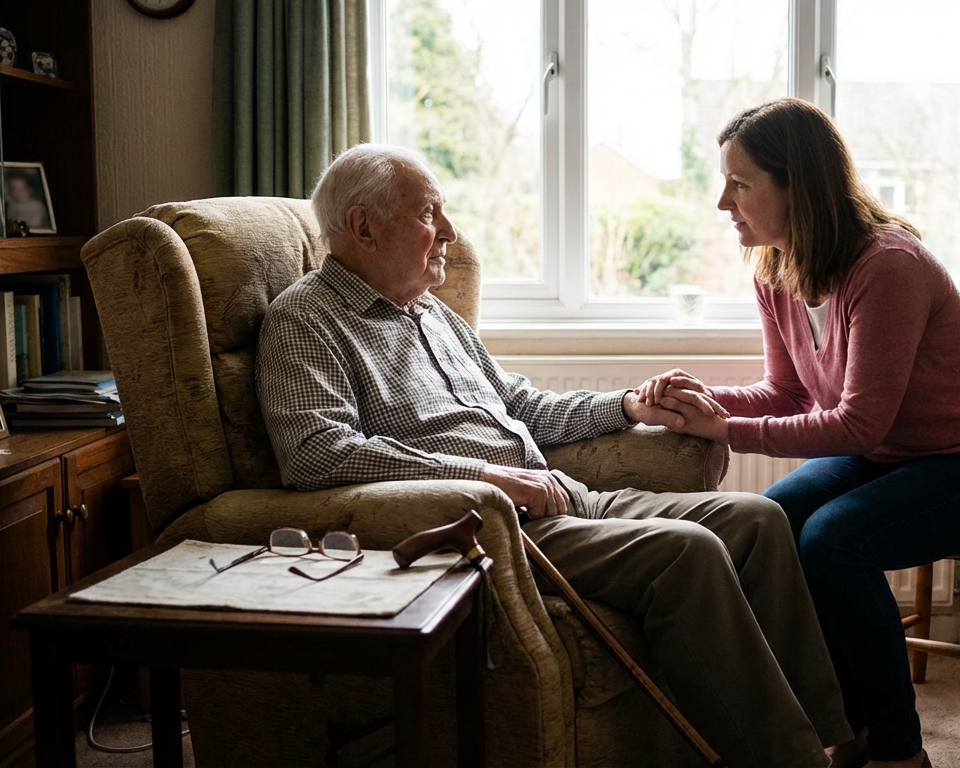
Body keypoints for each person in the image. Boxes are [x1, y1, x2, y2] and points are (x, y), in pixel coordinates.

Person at [255, 143, 856, 768]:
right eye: (431, 213)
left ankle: (834, 735)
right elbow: (317, 453)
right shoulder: (306, 320)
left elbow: (520, 405)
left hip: (562, 500)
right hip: (494, 528)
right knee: (690, 551)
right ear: (364, 227)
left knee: (759, 520)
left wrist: (628, 407)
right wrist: (484, 477)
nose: (451, 233)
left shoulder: (430, 312)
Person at [638, 98, 960, 768]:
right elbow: (788, 394)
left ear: (798, 187)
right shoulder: (775, 268)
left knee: (833, 541)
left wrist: (726, 429)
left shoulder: (888, 267)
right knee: (769, 520)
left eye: (740, 184)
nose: (722, 202)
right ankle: (845, 727)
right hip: (886, 457)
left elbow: (857, 421)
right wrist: (691, 400)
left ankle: (900, 751)